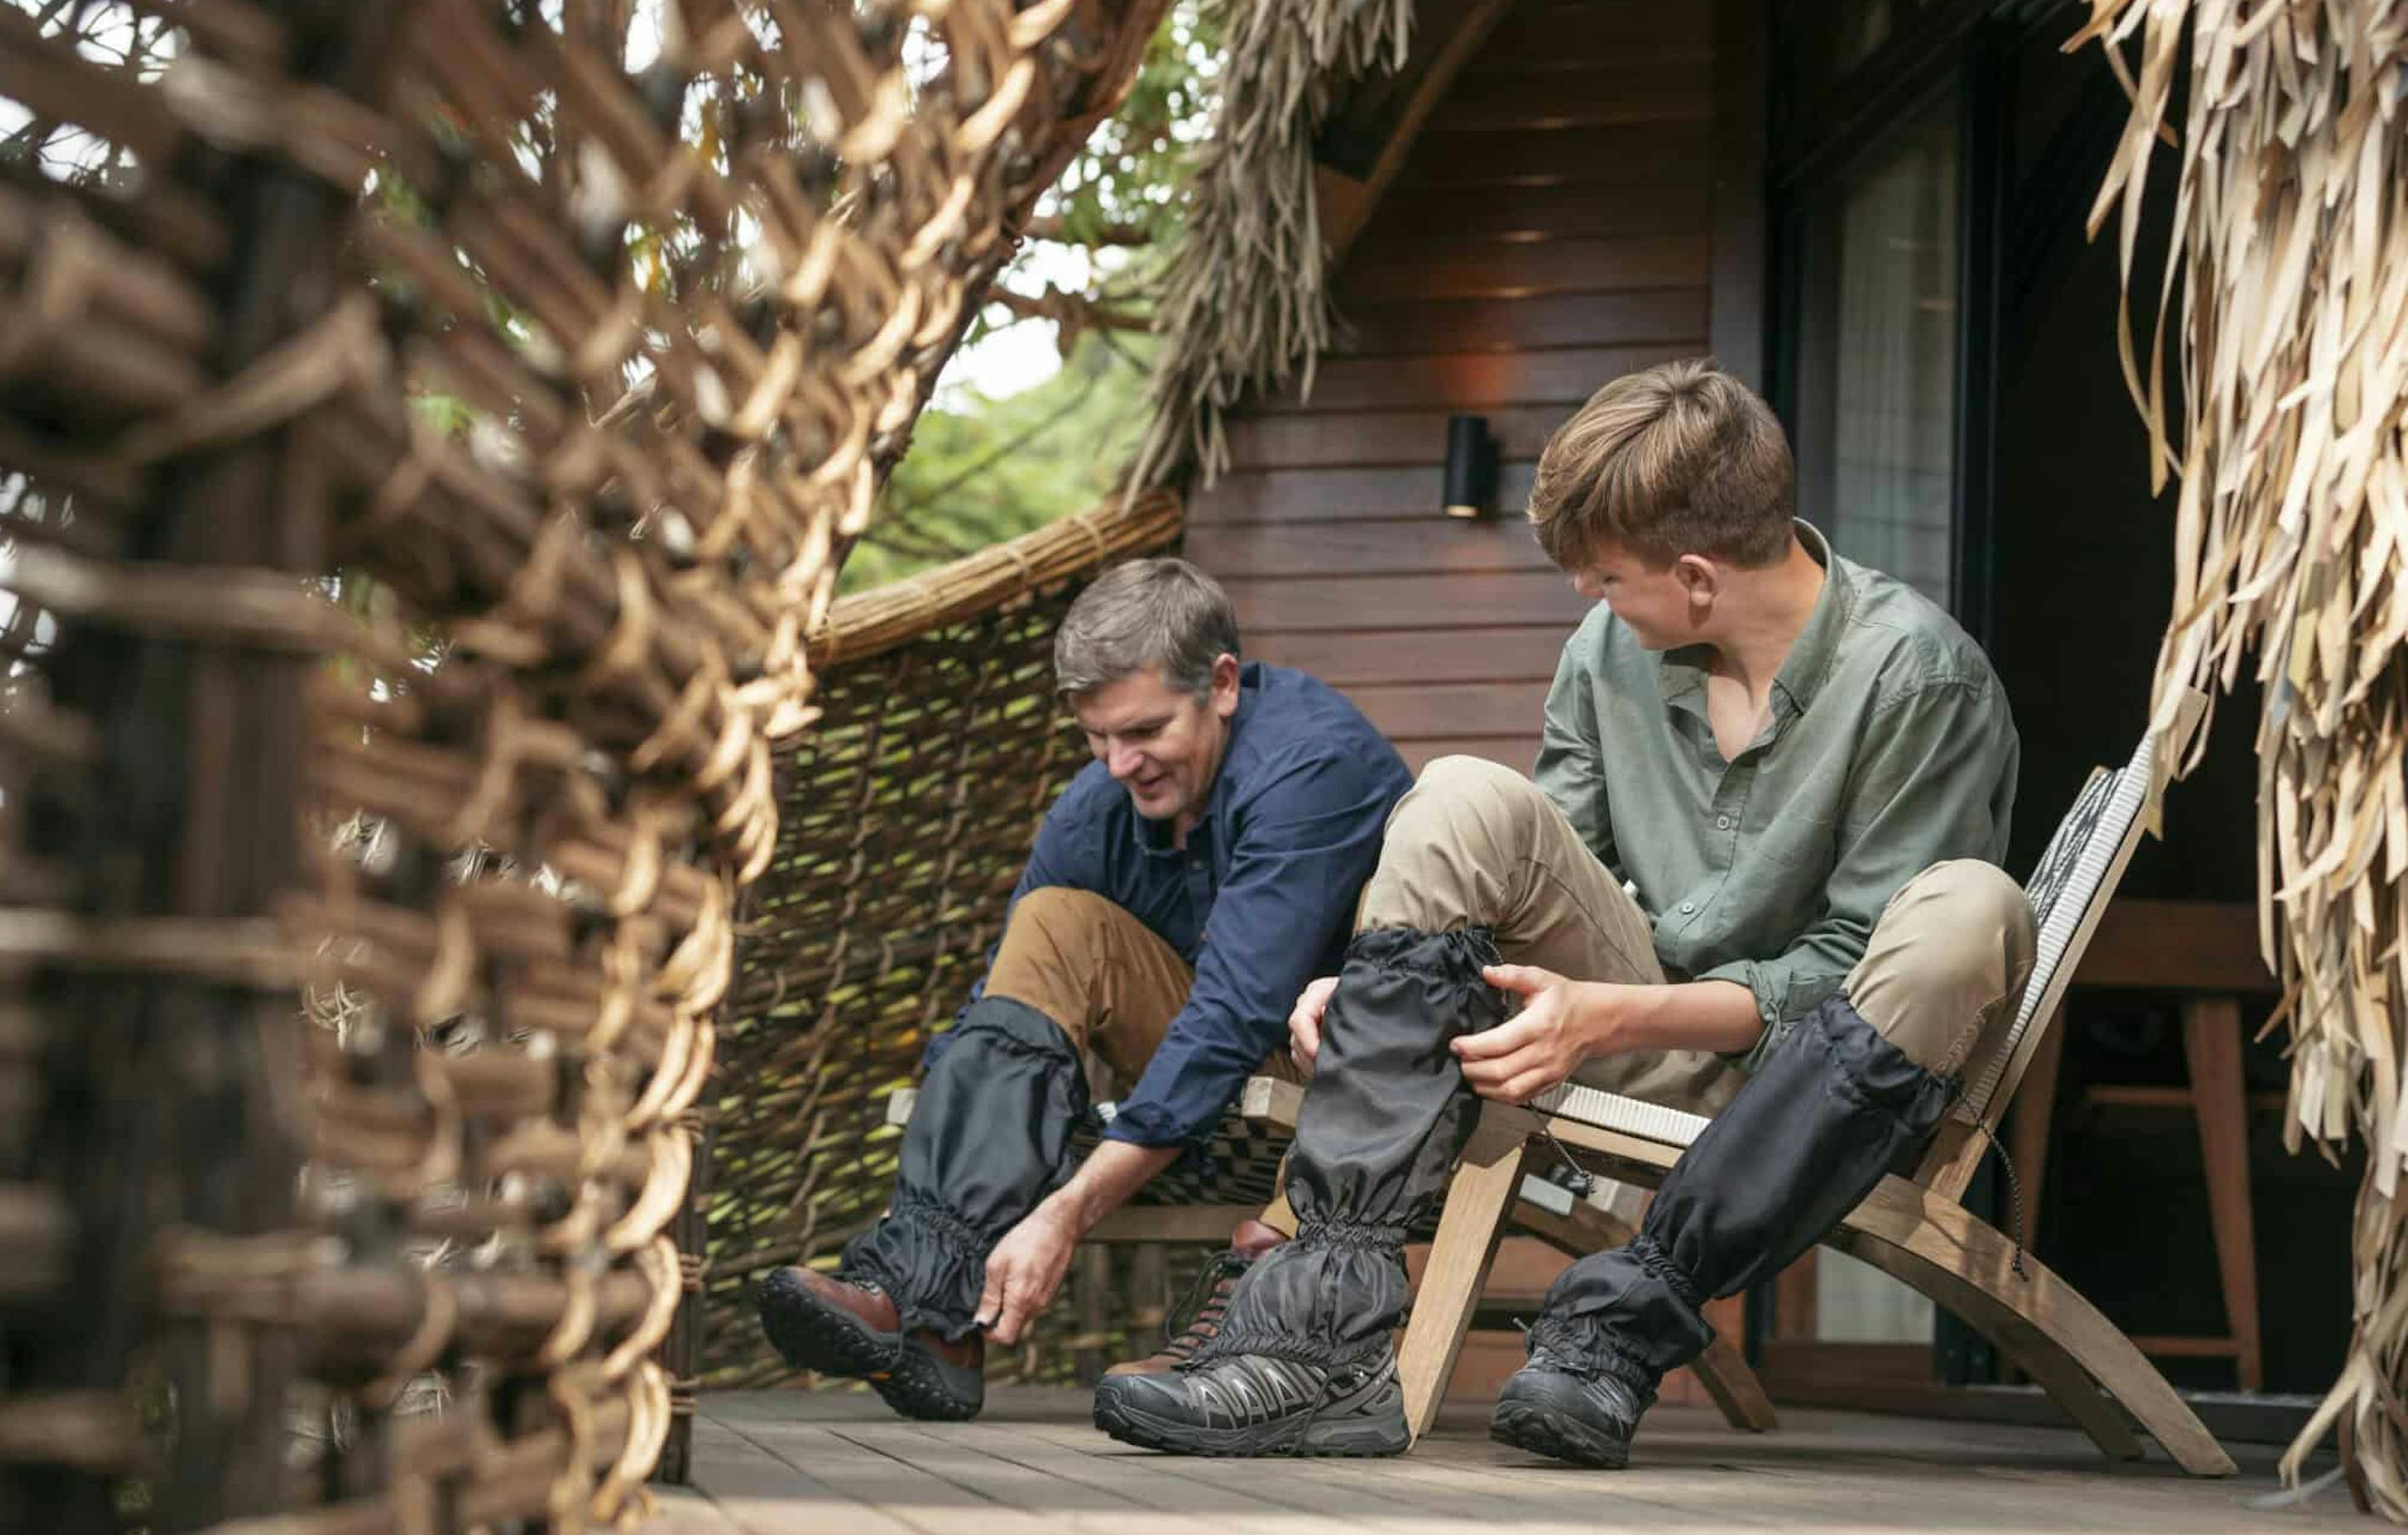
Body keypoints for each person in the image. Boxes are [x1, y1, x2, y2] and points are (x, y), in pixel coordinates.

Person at [1093, 358, 2034, 1463]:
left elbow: (1850, 965)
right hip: (1621, 1012)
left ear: (1693, 577)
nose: (1590, 604)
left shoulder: (1918, 680)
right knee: (1463, 793)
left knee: (1974, 908)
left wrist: (1611, 1016)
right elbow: (1540, 860)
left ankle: (1617, 1331)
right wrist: (1383, 977)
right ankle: (1317, 1344)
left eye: (1603, 581)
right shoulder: (1610, 656)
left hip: (1815, 1089)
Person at [757, 557, 1413, 1420]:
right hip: (1213, 1075)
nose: (1117, 764)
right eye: (1096, 737)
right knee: (1056, 924)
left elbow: (1232, 1015)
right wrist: (1020, 1111)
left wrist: (1064, 1210)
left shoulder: (1308, 766)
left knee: (1127, 969)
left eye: (1143, 731)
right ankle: (922, 1302)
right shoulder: (1099, 804)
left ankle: (931, 1317)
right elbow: (1010, 1001)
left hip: (1350, 1082)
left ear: (1220, 684)